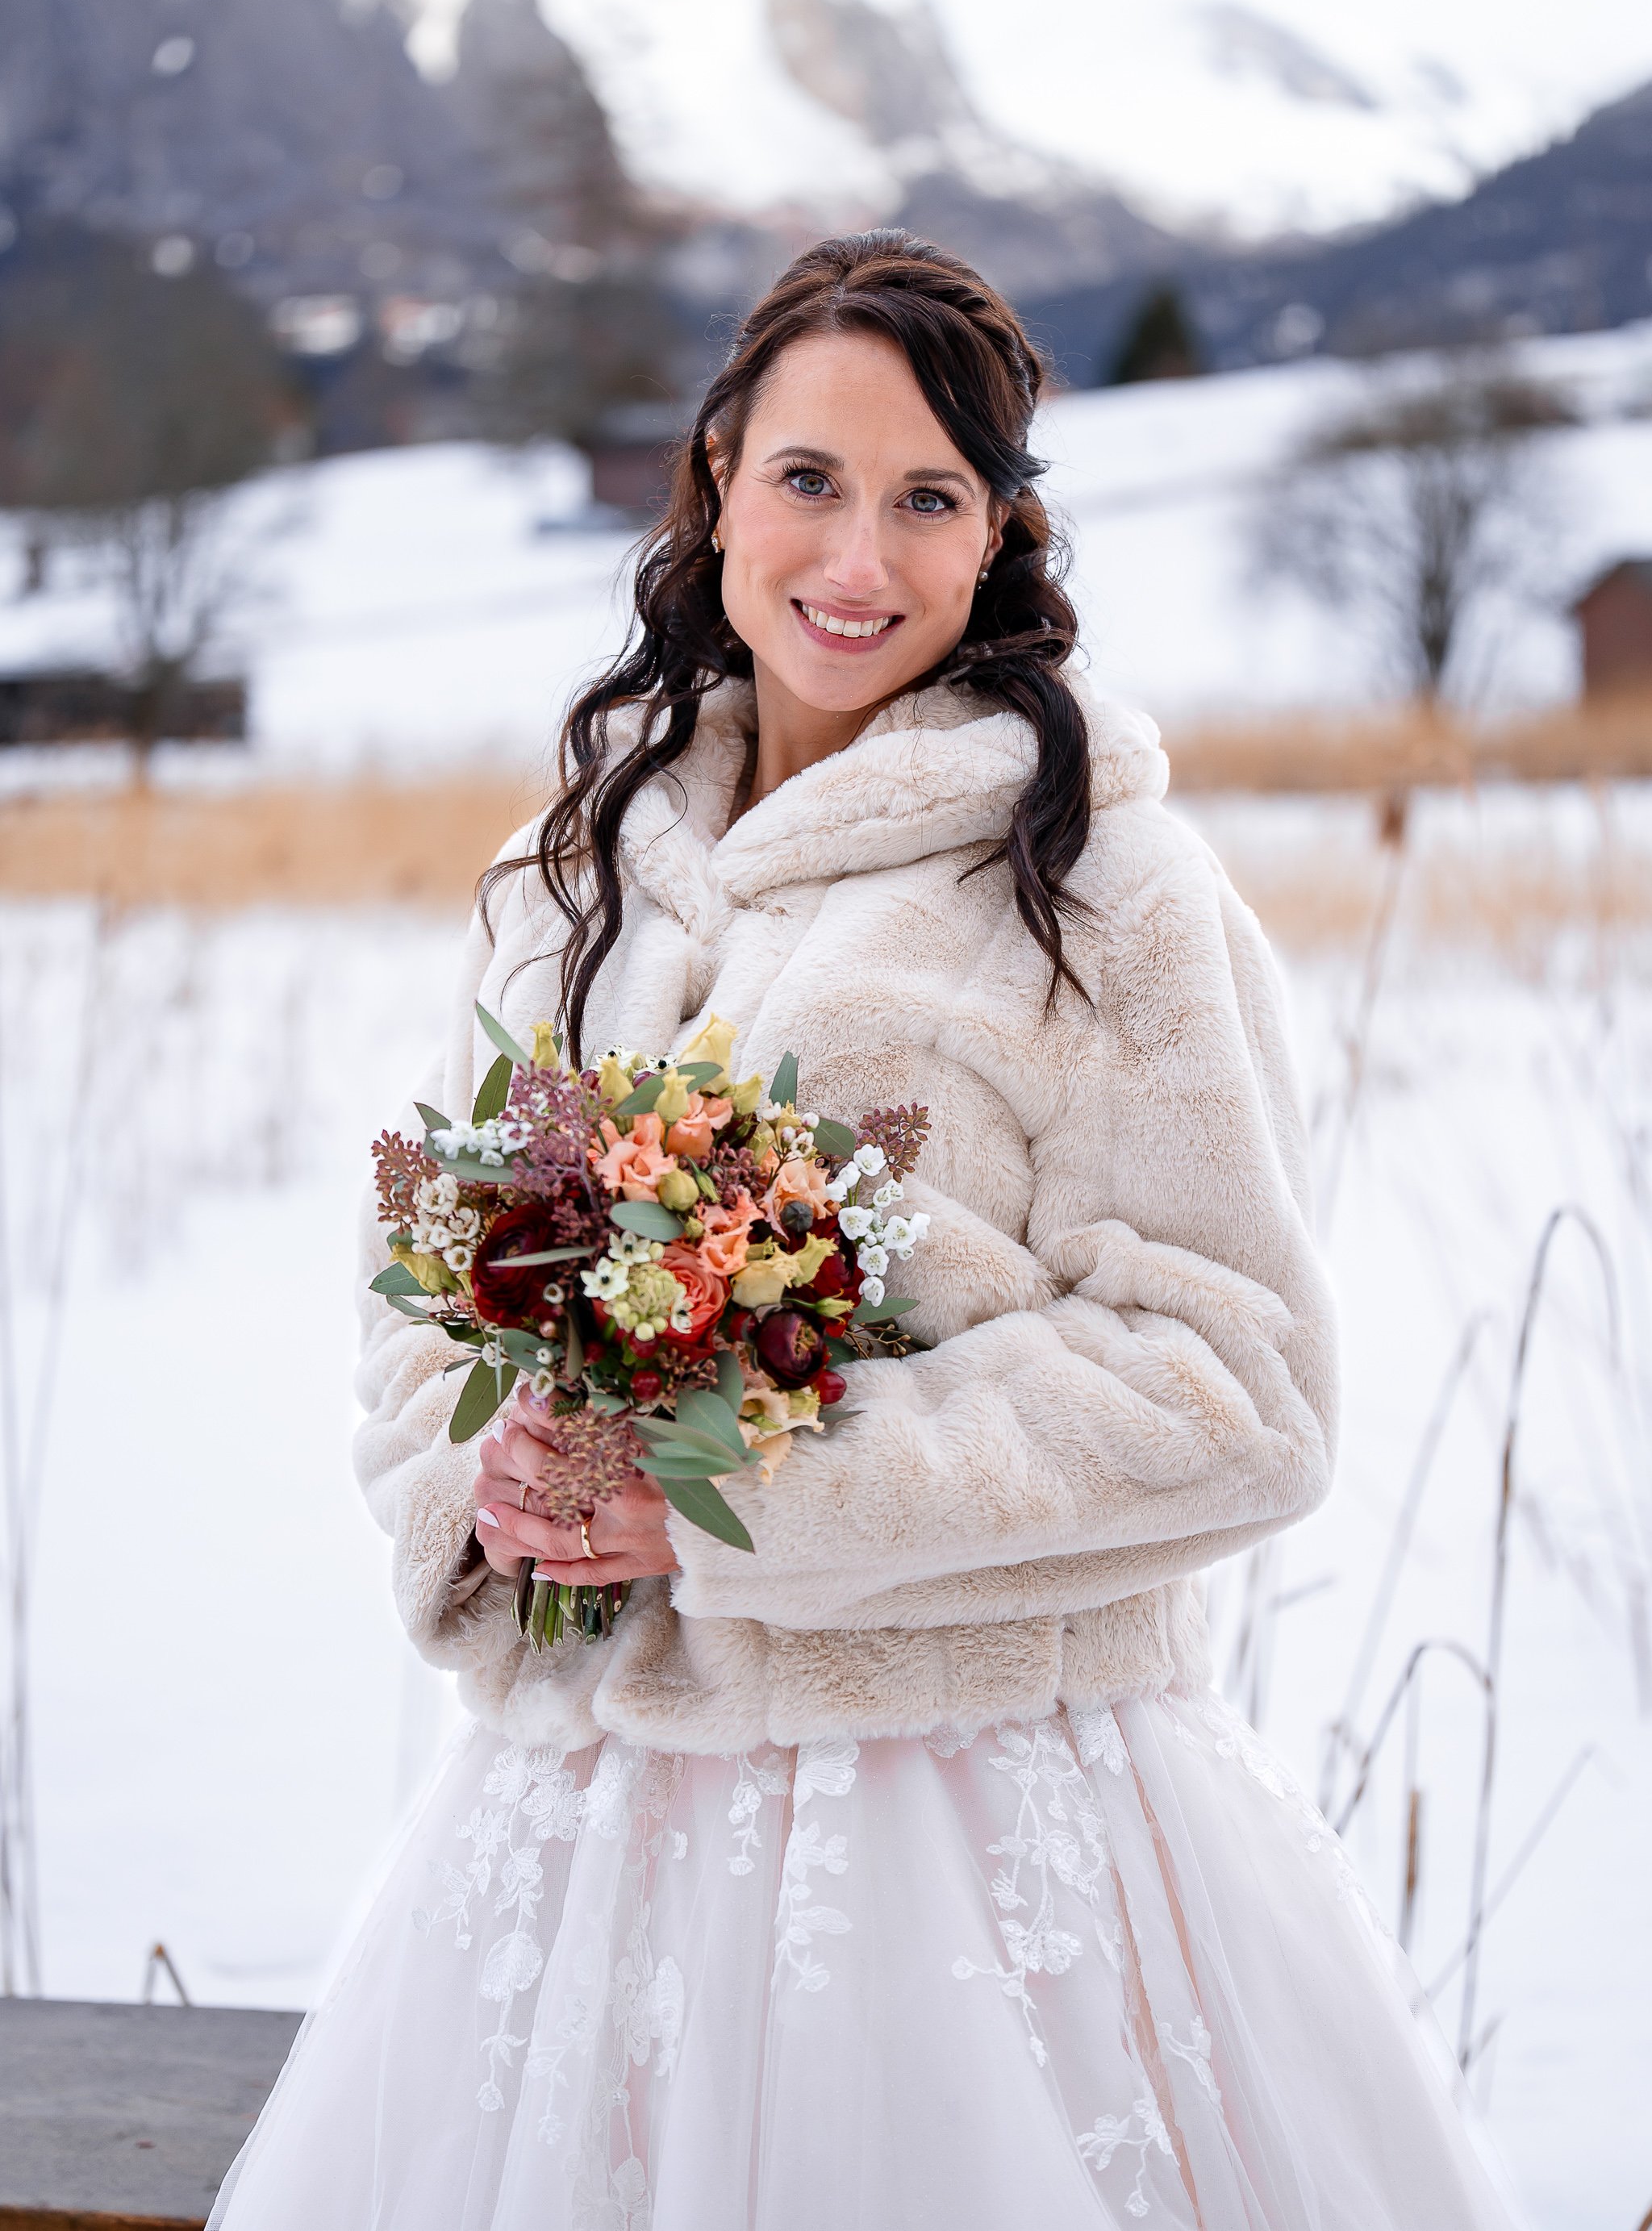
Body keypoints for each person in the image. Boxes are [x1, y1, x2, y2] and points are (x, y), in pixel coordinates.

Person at [210, 233, 1523, 2229]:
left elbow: (1239, 1383)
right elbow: (436, 1297)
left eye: (930, 500)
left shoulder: (1103, 890)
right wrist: (484, 1479)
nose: (860, 554)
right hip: (581, 1838)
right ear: (718, 472)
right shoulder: (571, 874)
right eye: (811, 479)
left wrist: (739, 1492)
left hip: (977, 1837)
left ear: (999, 535)